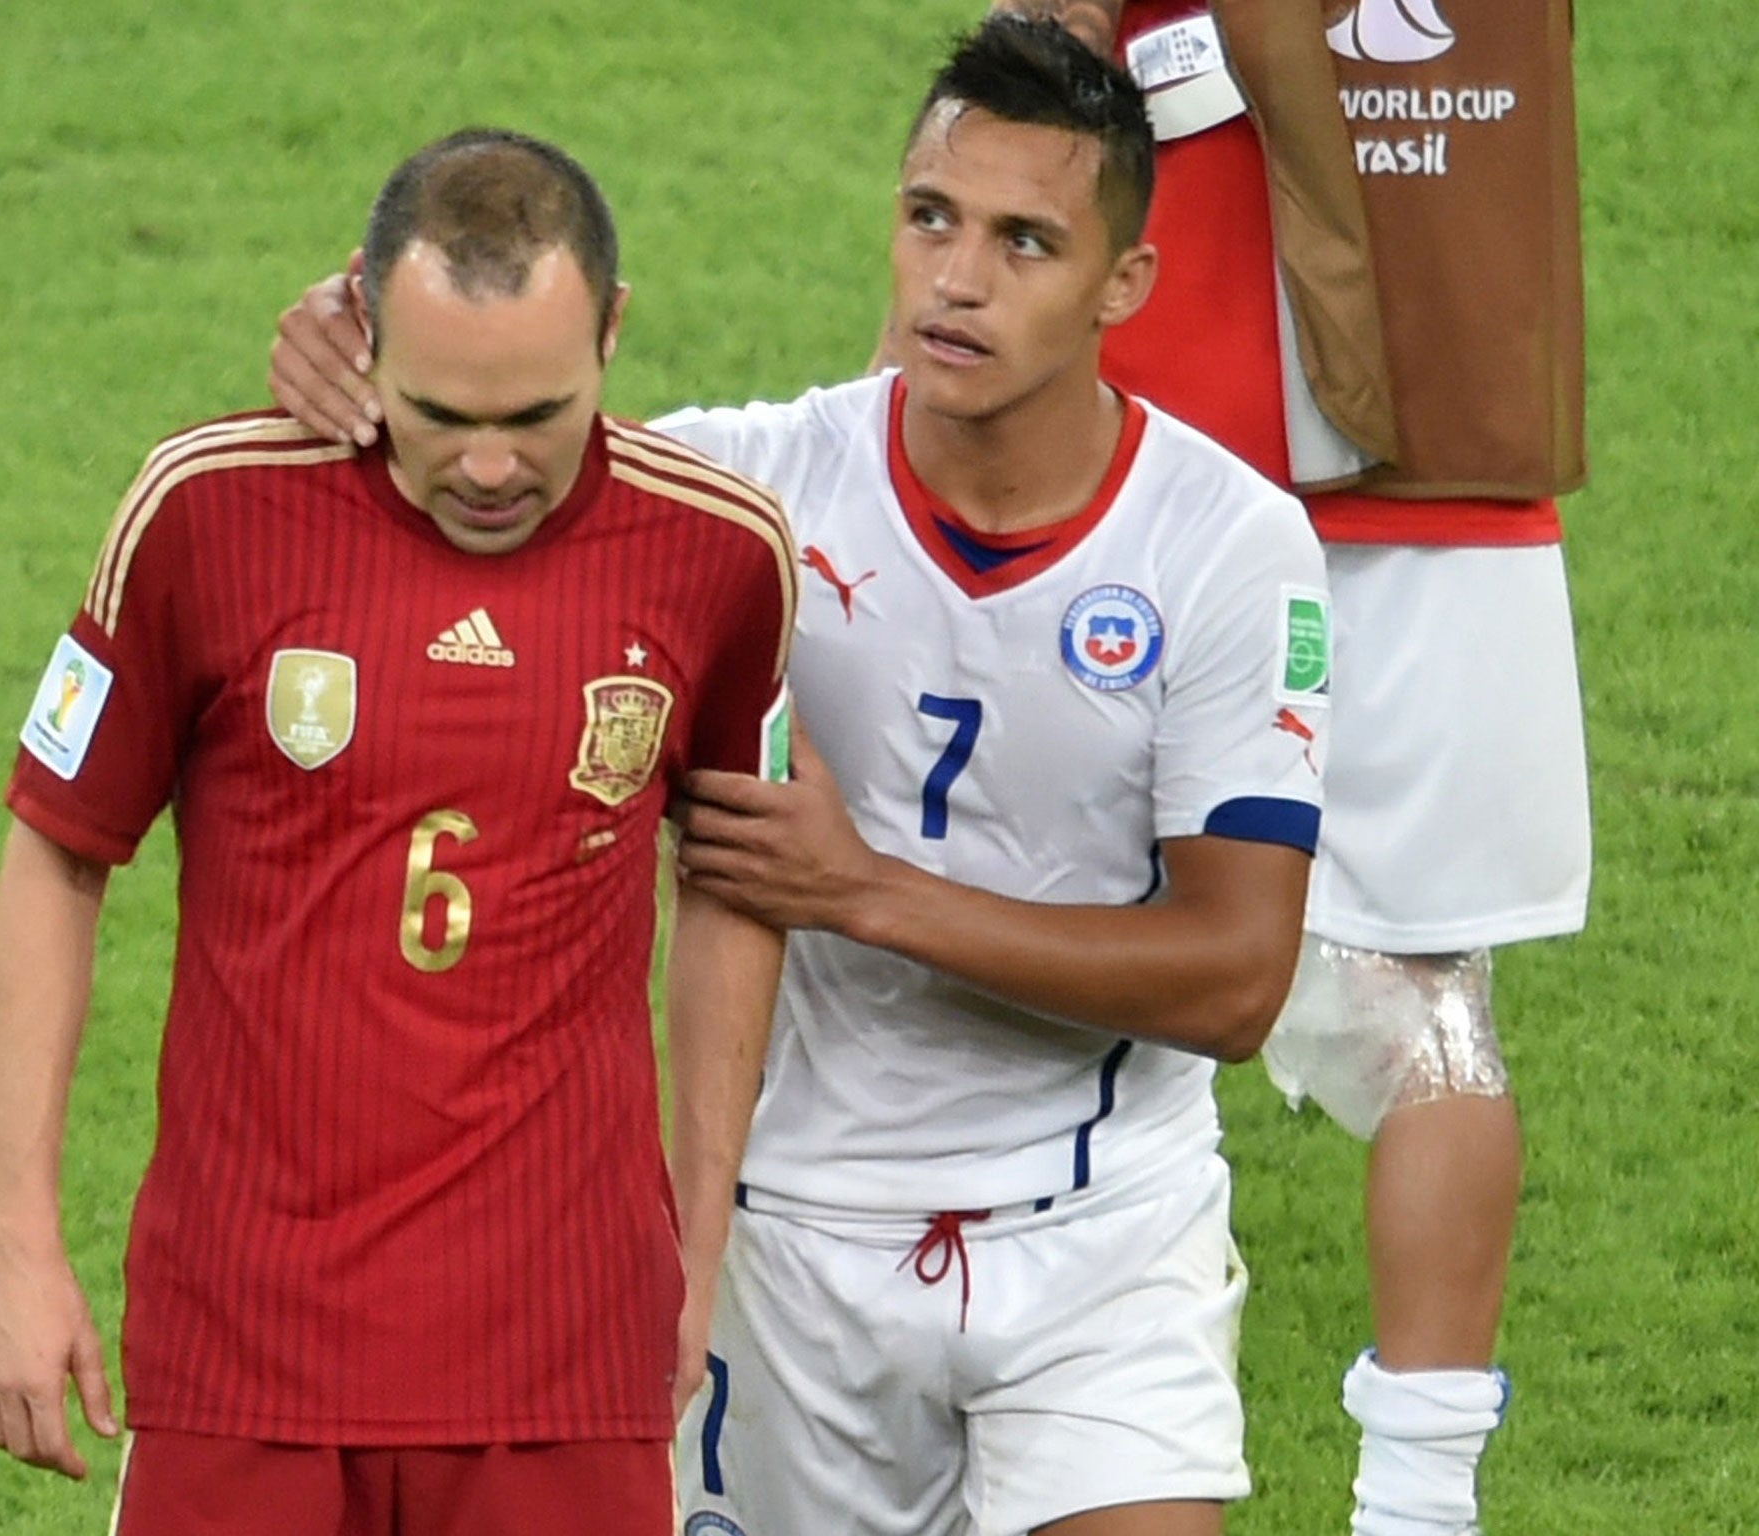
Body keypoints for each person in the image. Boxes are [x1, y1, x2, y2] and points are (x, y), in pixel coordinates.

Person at [271, 19, 1330, 1535]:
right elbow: (478, 465)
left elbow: (1238, 980)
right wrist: (351, 346)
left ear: (1124, 286)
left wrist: (868, 894)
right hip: (795, 1250)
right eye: (931, 219)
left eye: (1026, 242)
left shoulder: (1227, 547)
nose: (958, 279)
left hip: (1104, 1234)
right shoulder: (751, 495)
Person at [0, 127, 797, 1536]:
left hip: (564, 1355)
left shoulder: (718, 555)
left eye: (536, 415)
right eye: (436, 411)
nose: (485, 466)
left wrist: (695, 1250)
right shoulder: (206, 514)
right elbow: (58, 849)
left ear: (614, 331)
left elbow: (735, 888)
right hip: (248, 1354)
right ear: (357, 322)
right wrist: (12, 1236)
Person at [1081, 4, 1591, 1533]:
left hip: (1165, 473)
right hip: (1458, 472)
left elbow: (1025, 103)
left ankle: (1081, 1434)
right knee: (1436, 1018)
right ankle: (1419, 1511)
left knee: (1071, 953)